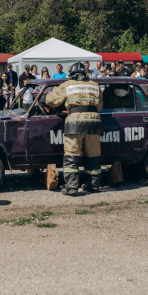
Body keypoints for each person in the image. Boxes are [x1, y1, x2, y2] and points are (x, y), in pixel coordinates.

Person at [45, 62, 103, 195]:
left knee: (72, 155)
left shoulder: (67, 85)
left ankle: (72, 187)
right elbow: (99, 106)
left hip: (75, 123)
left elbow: (51, 100)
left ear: (71, 74)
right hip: (94, 123)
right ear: (85, 73)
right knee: (93, 156)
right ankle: (93, 186)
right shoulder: (94, 85)